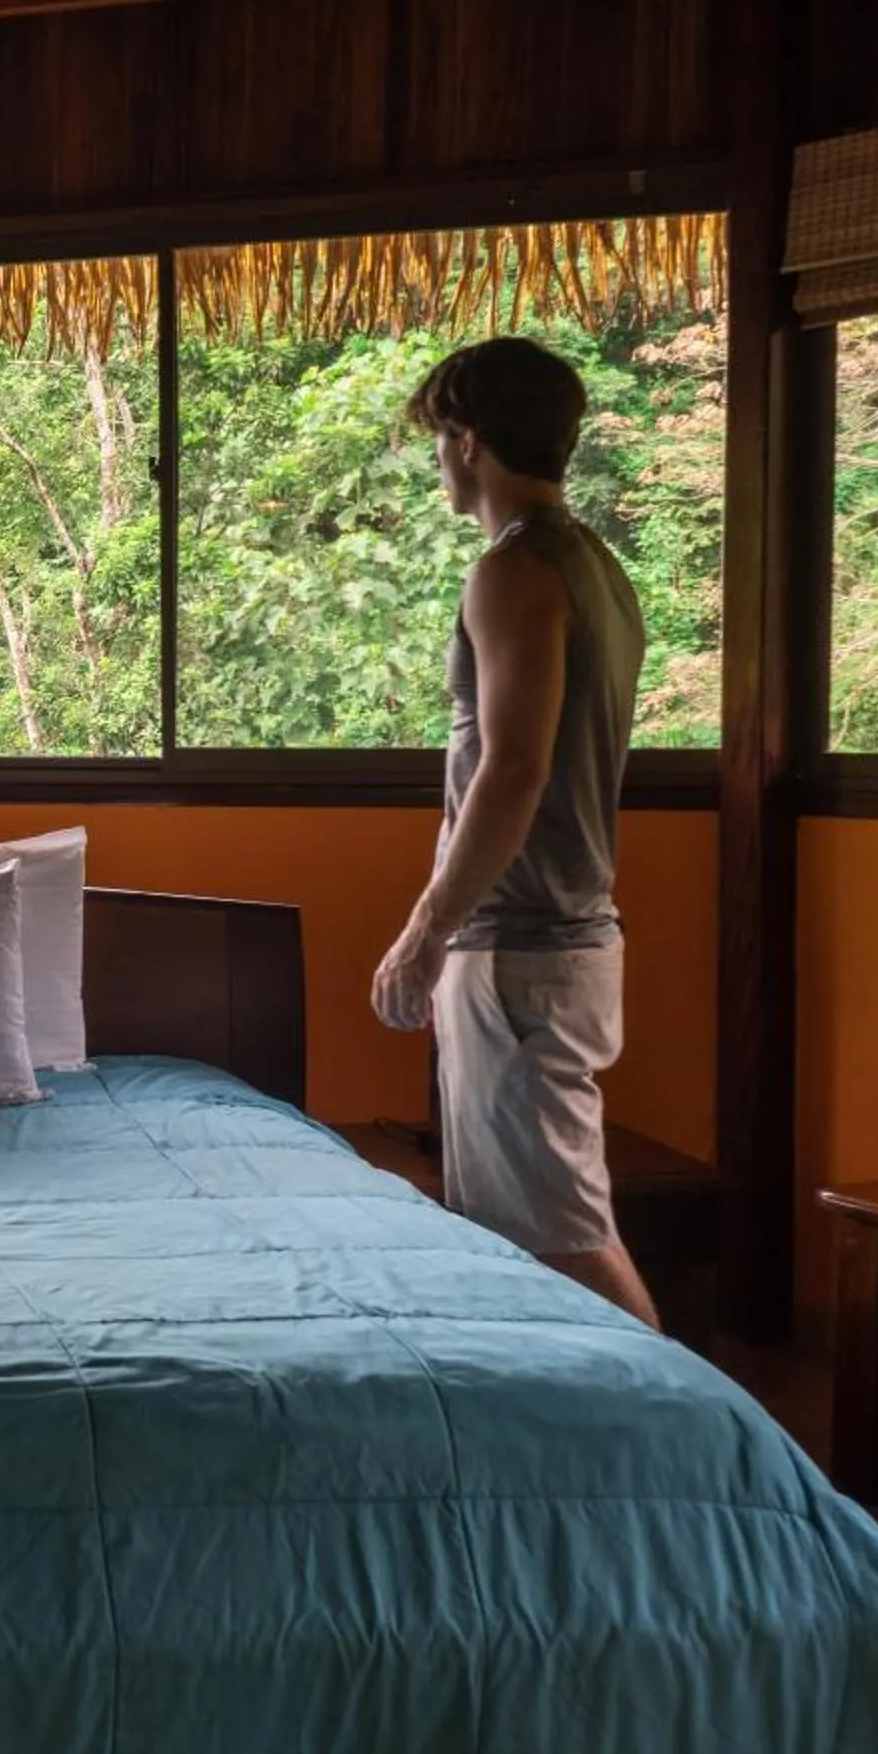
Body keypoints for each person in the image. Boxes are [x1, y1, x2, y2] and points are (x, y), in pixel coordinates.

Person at [368, 337, 657, 1328]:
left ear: (468, 440)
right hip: (557, 942)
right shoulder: (594, 567)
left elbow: (513, 769)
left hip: (523, 948)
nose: (438, 462)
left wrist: (425, 932)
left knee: (556, 1235)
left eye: (439, 441)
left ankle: (678, 1410)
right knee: (526, 1225)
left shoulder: (515, 570)